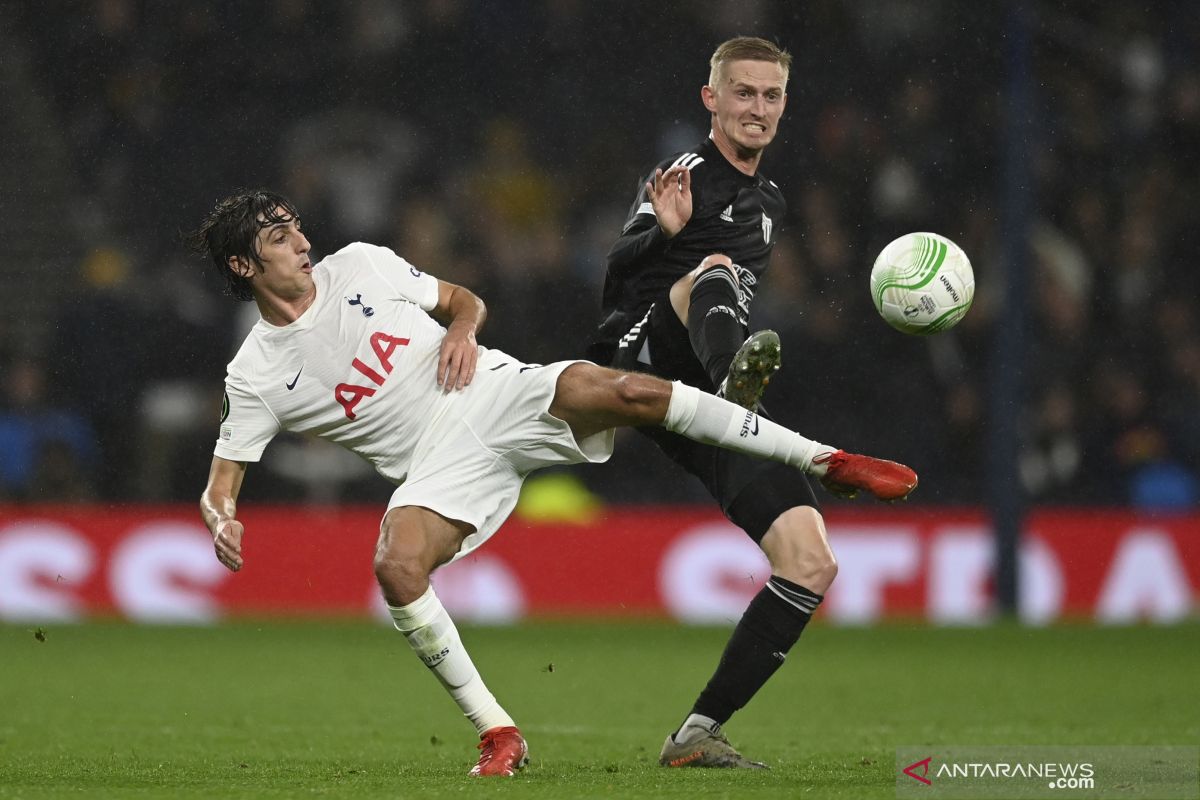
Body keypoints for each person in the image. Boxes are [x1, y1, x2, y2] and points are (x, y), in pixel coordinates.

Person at [189, 189, 915, 778]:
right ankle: (498, 734)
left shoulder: (362, 266)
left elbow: (462, 298)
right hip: (441, 464)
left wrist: (461, 330)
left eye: (294, 228)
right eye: (279, 238)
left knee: (624, 391)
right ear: (245, 265)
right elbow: (223, 480)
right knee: (395, 563)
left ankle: (826, 460)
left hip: (498, 390)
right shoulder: (254, 374)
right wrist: (221, 518)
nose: (301, 243)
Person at [588, 37, 909, 768]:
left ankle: (696, 734)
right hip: (636, 357)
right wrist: (658, 235)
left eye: (770, 96)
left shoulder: (768, 199)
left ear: (784, 105)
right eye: (743, 93)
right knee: (714, 266)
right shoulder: (686, 175)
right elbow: (615, 278)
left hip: (702, 398)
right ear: (712, 99)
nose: (756, 108)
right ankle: (736, 380)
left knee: (810, 560)